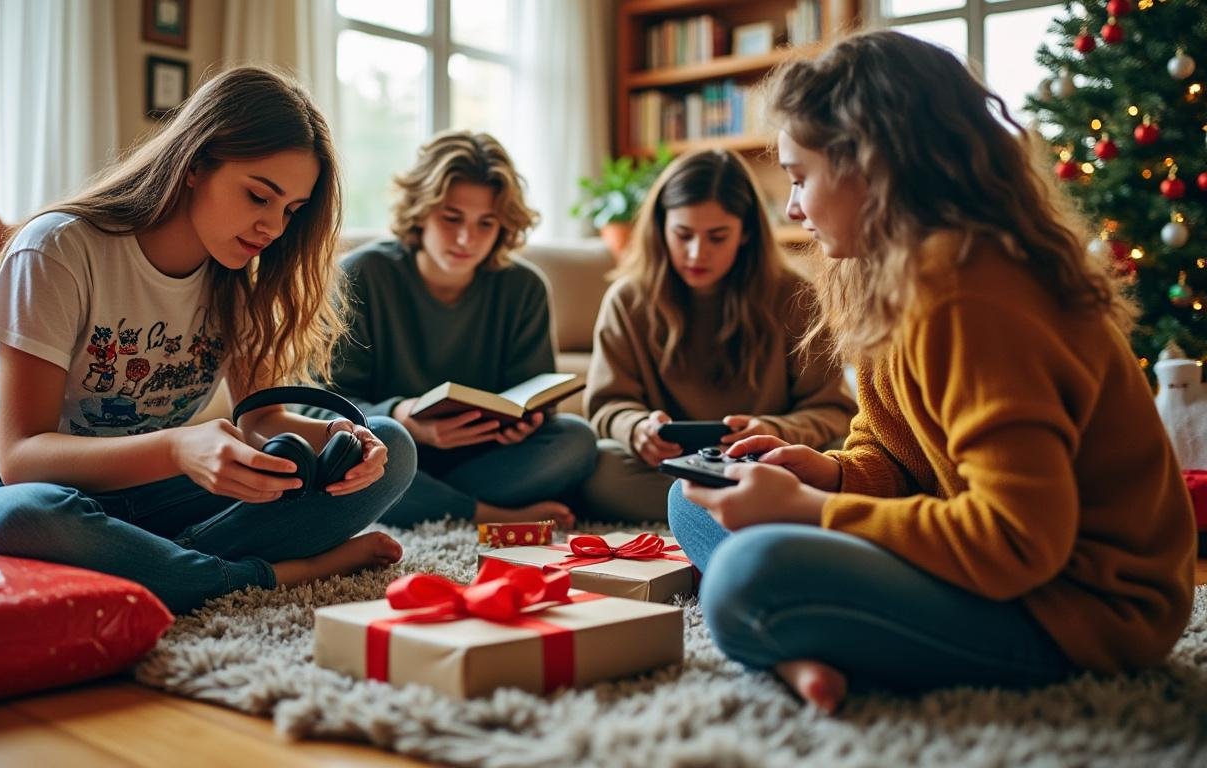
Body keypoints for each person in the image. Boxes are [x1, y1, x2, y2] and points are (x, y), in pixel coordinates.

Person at [668, 30, 1197, 714]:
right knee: (697, 494)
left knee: (746, 574)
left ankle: (804, 644)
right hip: (992, 569)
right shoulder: (890, 273)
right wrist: (826, 473)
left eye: (801, 178)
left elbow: (1016, 542)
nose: (792, 208)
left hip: (1081, 609)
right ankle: (810, 648)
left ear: (871, 166)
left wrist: (809, 510)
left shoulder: (972, 292)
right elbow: (900, 451)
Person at [0, 67, 417, 615]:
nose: (273, 228)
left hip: (150, 501)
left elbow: (263, 422)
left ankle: (162, 568)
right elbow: (21, 459)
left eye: (290, 211)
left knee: (393, 447)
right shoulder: (59, 250)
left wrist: (341, 439)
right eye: (258, 196)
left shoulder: (239, 278)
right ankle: (273, 573)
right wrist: (181, 446)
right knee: (32, 516)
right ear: (194, 164)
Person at [314, 130, 596, 528]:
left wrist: (528, 422)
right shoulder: (361, 275)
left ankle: (425, 501)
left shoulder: (524, 287)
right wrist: (404, 415)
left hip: (483, 460)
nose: (467, 239)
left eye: (486, 223)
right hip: (391, 450)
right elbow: (316, 406)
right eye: (451, 218)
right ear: (420, 210)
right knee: (363, 446)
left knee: (577, 439)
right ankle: (488, 515)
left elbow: (535, 395)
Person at [582, 148, 855, 521]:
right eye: (683, 235)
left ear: (745, 233)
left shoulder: (795, 295)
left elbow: (834, 409)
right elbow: (608, 405)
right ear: (661, 228)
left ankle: (713, 508)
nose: (697, 253)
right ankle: (747, 510)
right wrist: (637, 429)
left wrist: (772, 429)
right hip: (672, 465)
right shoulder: (627, 300)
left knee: (842, 457)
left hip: (765, 463)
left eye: (717, 237)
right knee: (601, 465)